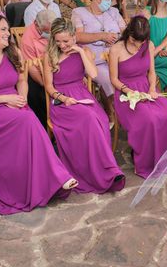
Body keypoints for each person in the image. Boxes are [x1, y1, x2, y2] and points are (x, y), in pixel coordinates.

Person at [0, 14, 77, 215]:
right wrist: (6, 99)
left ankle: (48, 179)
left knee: (28, 116)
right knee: (28, 119)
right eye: (4, 30)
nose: (9, 34)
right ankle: (56, 175)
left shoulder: (14, 52)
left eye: (8, 29)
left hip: (14, 104)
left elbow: (22, 81)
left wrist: (21, 98)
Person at [43, 18, 125, 194]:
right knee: (88, 118)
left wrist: (79, 51)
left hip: (82, 95)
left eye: (65, 41)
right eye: (57, 41)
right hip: (61, 100)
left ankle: (105, 169)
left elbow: (94, 74)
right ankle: (104, 171)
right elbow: (49, 86)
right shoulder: (50, 55)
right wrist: (63, 98)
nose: (62, 45)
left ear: (74, 37)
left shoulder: (84, 51)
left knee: (99, 119)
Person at [109, 16, 167, 178]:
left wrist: (151, 88)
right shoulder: (116, 49)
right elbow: (114, 79)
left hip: (145, 87)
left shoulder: (148, 45)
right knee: (149, 118)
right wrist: (129, 92)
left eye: (141, 42)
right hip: (125, 92)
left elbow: (151, 72)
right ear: (128, 33)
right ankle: (146, 161)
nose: (138, 45)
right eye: (135, 40)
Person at [72, 0, 126, 120]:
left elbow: (125, 32)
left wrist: (117, 38)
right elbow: (77, 36)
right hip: (94, 59)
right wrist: (101, 36)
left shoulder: (113, 12)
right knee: (108, 78)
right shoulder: (79, 12)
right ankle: (113, 112)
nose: (109, 1)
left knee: (131, 72)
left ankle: (129, 108)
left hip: (116, 56)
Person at [20, 7, 56, 126]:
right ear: (37, 24)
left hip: (54, 67)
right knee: (38, 95)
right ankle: (45, 128)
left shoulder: (52, 29)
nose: (50, 33)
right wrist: (47, 85)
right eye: (48, 30)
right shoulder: (27, 40)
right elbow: (32, 69)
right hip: (38, 74)